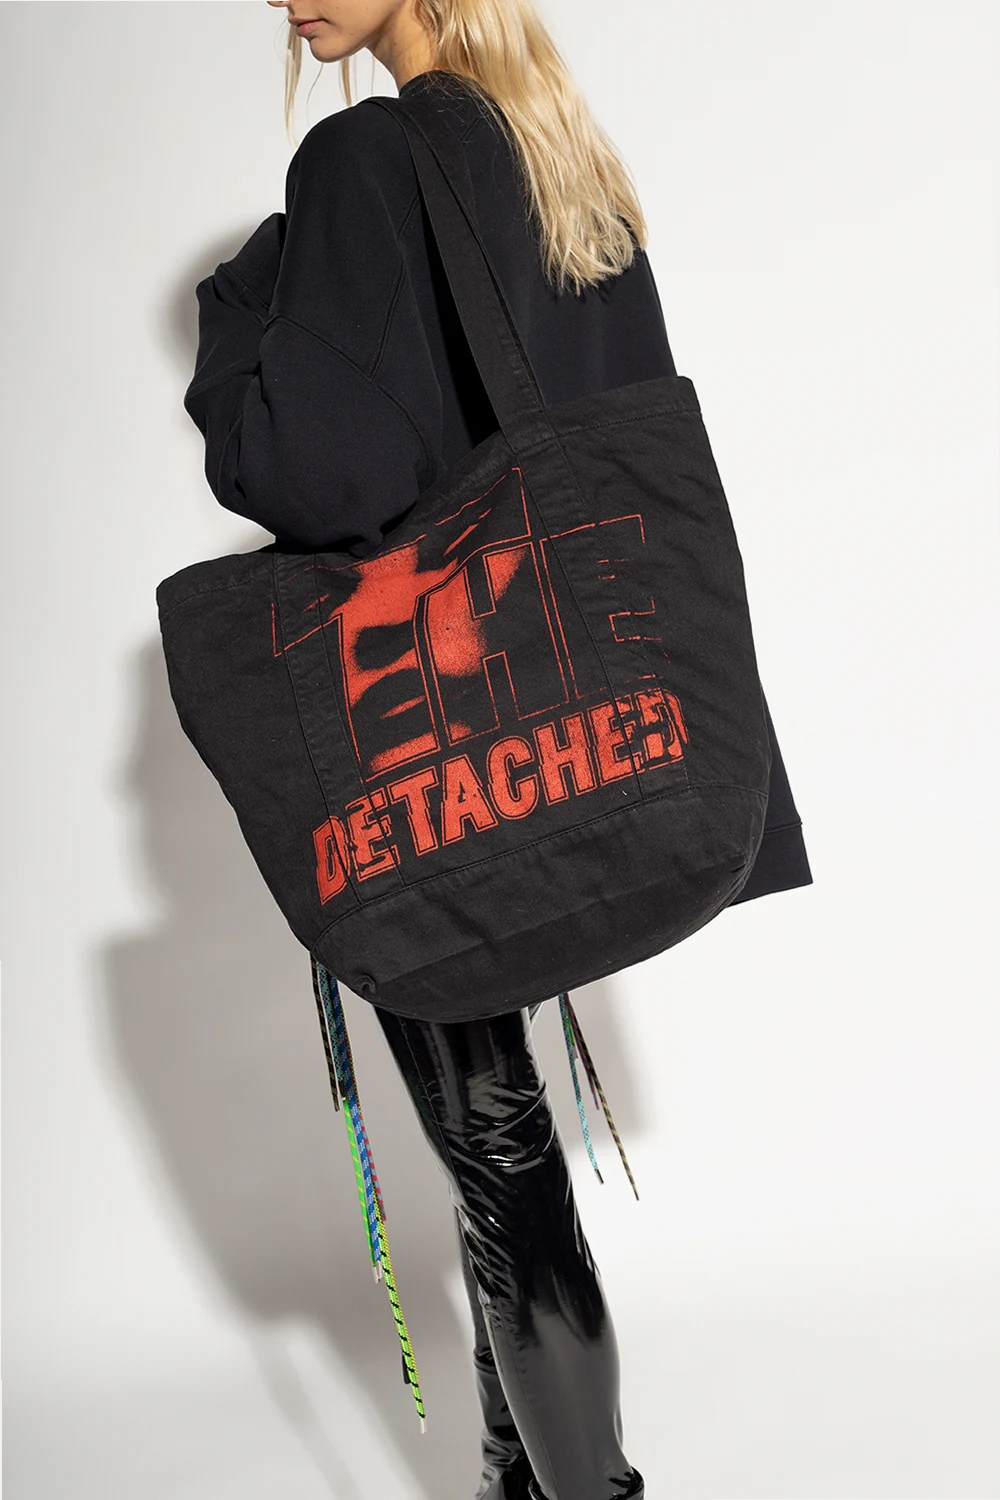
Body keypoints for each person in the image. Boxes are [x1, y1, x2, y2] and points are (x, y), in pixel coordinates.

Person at [181, 3, 813, 1496]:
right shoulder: (556, 148)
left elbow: (313, 474)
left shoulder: (362, 157)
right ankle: (512, 1480)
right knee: (504, 1162)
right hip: (571, 718)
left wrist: (238, 317)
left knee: (498, 1158)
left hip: (436, 743)